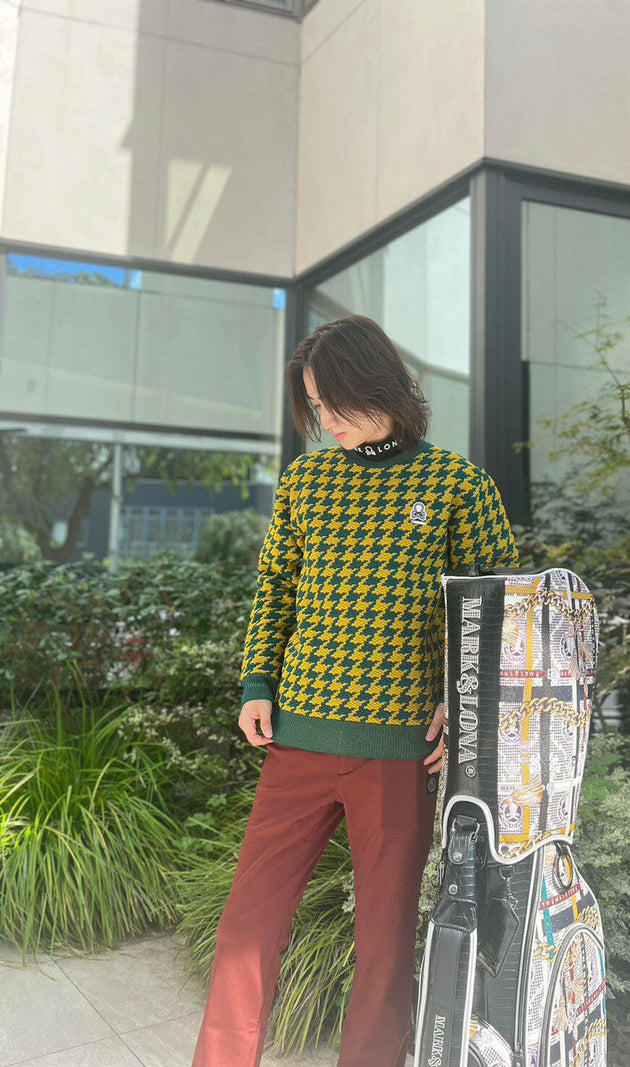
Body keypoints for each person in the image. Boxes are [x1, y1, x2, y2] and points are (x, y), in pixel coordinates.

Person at [191, 315, 519, 1067]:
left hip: (399, 754)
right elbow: (276, 587)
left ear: (379, 385)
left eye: (334, 400)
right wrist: (256, 681)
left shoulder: (457, 484)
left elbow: (496, 609)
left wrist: (462, 706)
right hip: (298, 740)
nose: (326, 419)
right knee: (248, 924)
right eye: (315, 405)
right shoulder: (307, 481)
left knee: (384, 942)